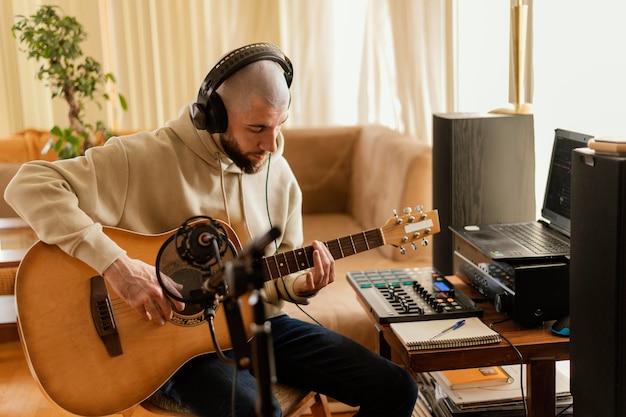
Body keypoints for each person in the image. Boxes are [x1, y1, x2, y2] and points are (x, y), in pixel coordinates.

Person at [5, 43, 418, 417]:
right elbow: (28, 184)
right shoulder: (145, 158)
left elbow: (273, 279)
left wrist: (299, 286)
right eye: (257, 128)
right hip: (165, 341)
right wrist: (116, 265)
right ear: (213, 116)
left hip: (256, 327)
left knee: (396, 387)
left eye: (280, 126)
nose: (272, 145)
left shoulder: (279, 174)